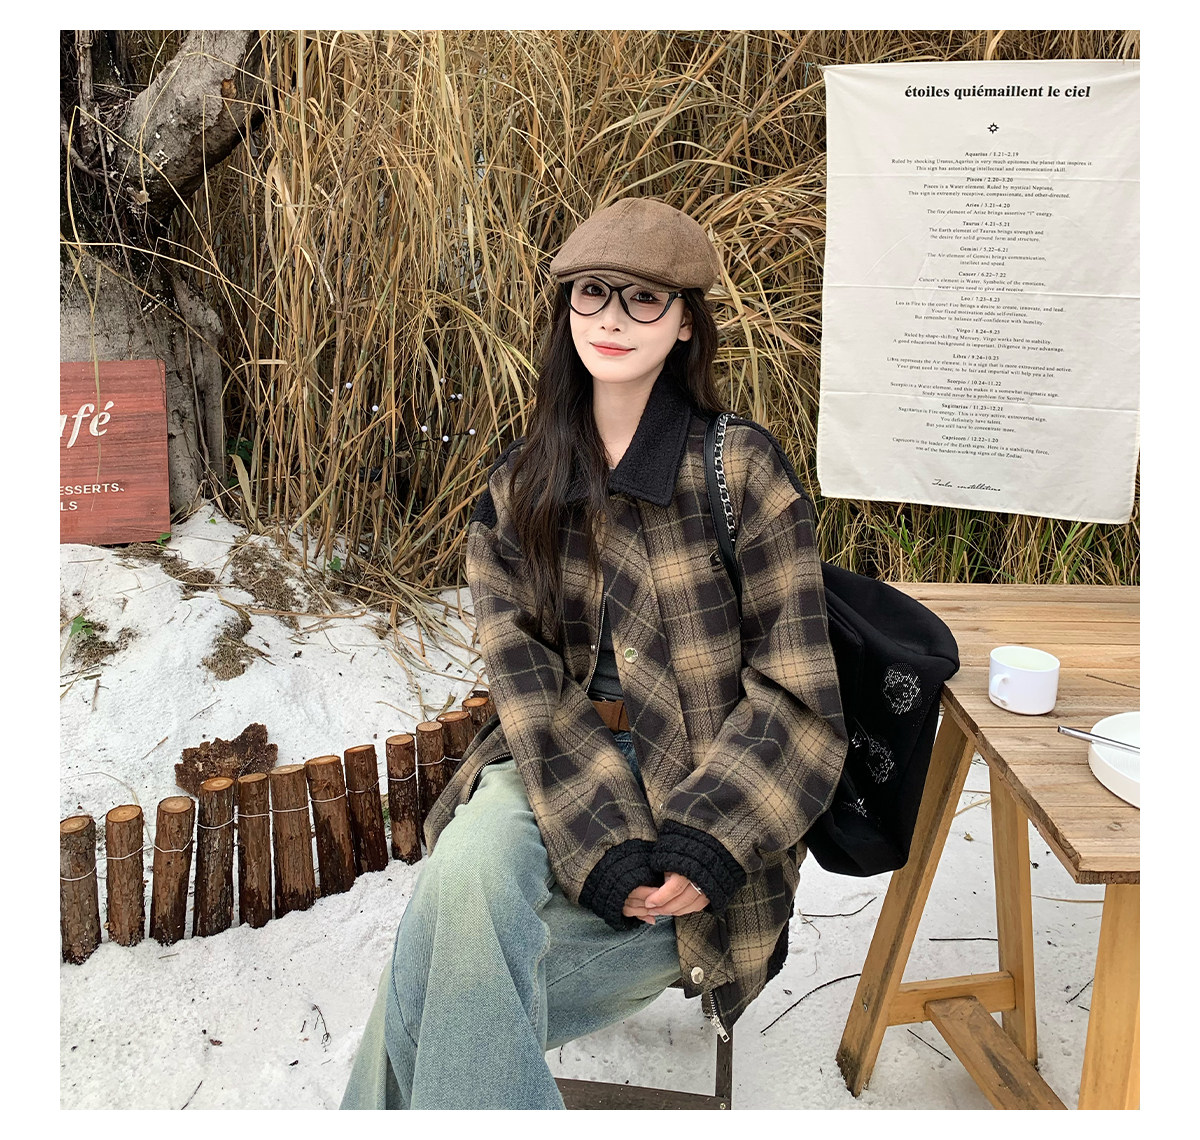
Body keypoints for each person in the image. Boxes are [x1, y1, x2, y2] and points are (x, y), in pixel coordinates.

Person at [340, 197, 847, 1110]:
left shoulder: (740, 471)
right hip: (553, 765)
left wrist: (708, 839)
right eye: (592, 293)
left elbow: (798, 692)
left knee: (438, 986)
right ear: (566, 307)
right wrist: (602, 844)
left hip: (706, 775)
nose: (612, 318)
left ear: (685, 322)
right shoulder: (518, 487)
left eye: (644, 298)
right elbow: (527, 688)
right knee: (467, 868)